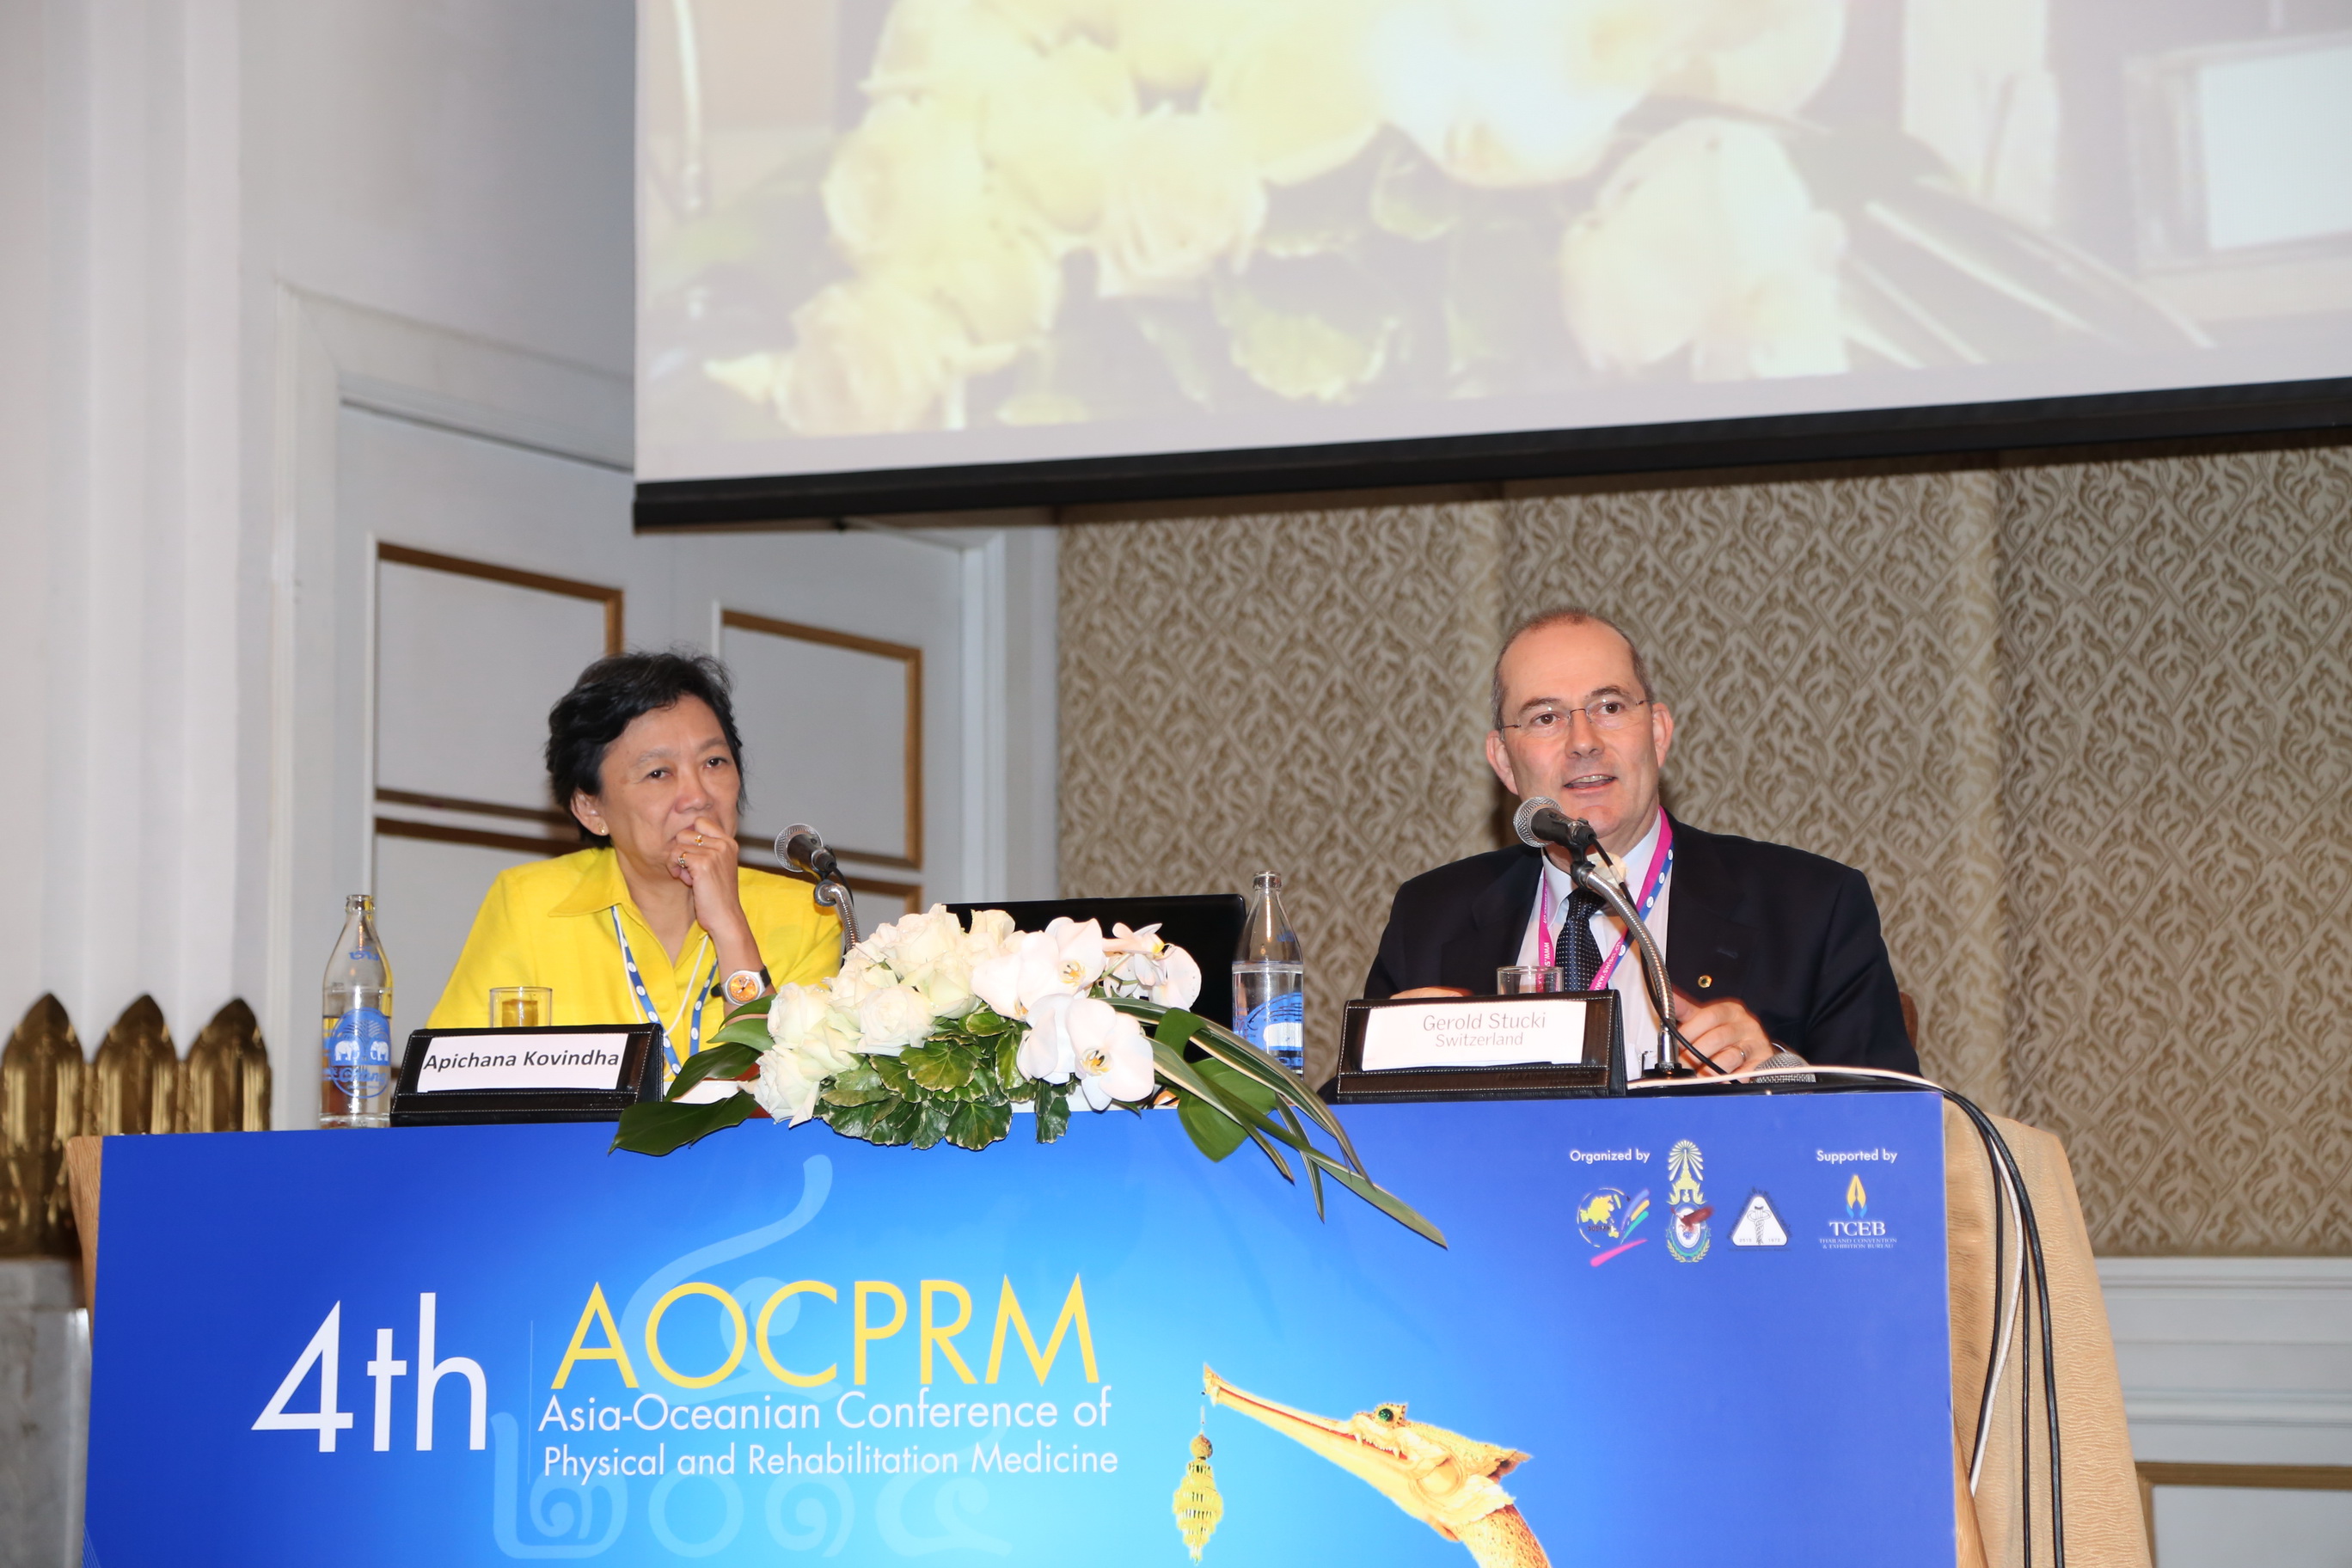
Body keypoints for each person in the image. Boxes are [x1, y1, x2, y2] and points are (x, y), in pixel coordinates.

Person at [1363, 609, 1918, 1075]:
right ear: (1504, 762)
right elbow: (1331, 1141)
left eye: (1609, 707)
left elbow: (1893, 1136)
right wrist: (1384, 1066)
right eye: (1546, 717)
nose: (1583, 742)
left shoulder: (1812, 910)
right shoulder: (1429, 920)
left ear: (1657, 733)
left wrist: (1777, 1071)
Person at [428, 651, 842, 1077]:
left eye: (714, 762)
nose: (697, 796)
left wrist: (730, 926)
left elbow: (796, 1090)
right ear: (591, 808)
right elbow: (452, 1085)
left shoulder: (806, 915)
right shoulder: (529, 903)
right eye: (659, 773)